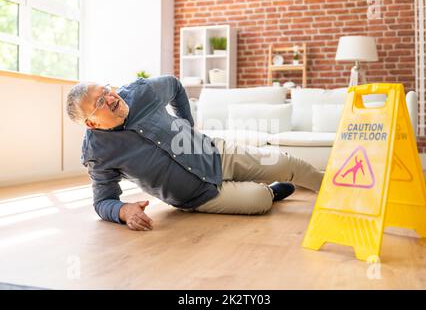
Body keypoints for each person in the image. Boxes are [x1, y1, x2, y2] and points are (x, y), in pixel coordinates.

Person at [66, 75, 324, 231]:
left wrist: (187, 124)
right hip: (197, 197)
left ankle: (336, 190)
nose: (111, 98)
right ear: (91, 123)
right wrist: (124, 212)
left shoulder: (139, 92)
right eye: (100, 102)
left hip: (216, 154)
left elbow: (174, 86)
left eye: (106, 91)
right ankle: (269, 191)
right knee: (260, 201)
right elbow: (103, 201)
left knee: (288, 163)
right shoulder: (96, 152)